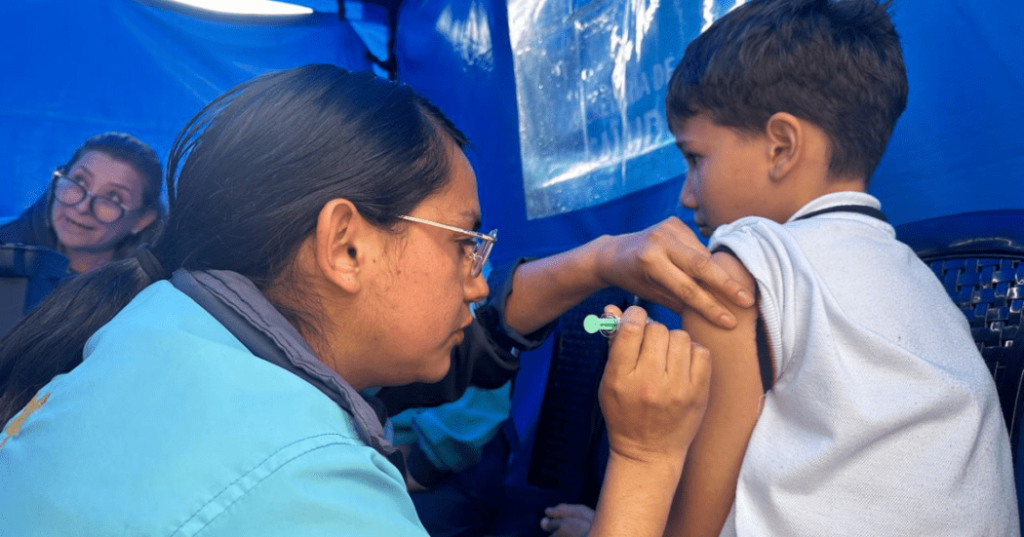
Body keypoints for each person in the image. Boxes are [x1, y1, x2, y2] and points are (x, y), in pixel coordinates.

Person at [0, 64, 728, 537]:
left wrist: (602, 258)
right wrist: (645, 457)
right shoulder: (311, 485)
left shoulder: (156, 322)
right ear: (346, 245)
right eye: (463, 242)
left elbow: (466, 342)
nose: (478, 279)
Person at [658, 0, 1018, 535]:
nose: (687, 195)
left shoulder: (742, 271)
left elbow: (693, 528)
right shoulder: (931, 287)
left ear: (782, 147)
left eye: (695, 159)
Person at [0, 132, 165, 274]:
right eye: (79, 181)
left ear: (142, 220)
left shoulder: (153, 291)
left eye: (113, 197)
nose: (82, 207)